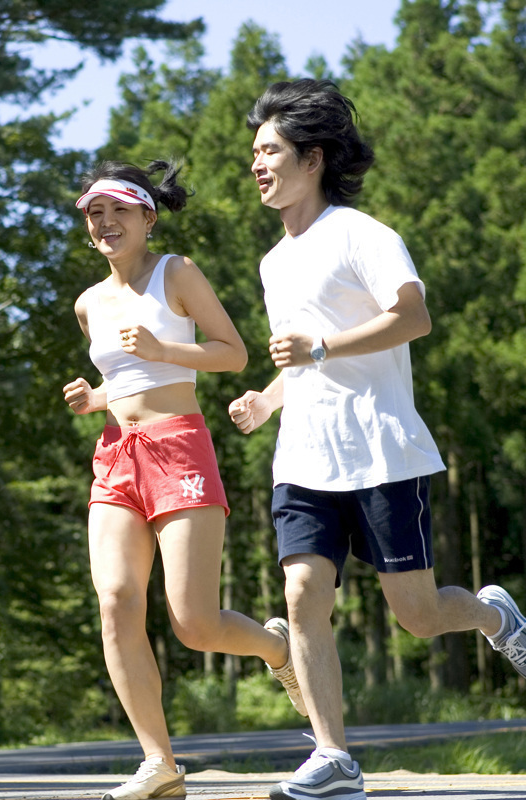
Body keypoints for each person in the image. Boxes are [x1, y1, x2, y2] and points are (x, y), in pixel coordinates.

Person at [228, 80, 526, 800]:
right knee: (303, 588)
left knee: (417, 616)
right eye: (252, 152)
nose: (255, 164)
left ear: (312, 157)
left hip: (379, 448)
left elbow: (412, 318)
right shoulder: (273, 261)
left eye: (269, 151)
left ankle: (496, 615)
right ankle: (333, 754)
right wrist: (267, 398)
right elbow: (302, 357)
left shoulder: (363, 235)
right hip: (305, 455)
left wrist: (319, 349)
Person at [63, 159, 307, 800]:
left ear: (147, 215)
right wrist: (98, 398)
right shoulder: (89, 302)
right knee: (115, 602)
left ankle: (275, 650)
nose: (105, 222)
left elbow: (233, 353)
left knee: (192, 623)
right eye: (95, 213)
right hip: (116, 454)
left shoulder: (178, 272)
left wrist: (164, 350)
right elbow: (127, 378)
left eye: (118, 210)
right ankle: (159, 763)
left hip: (178, 448)